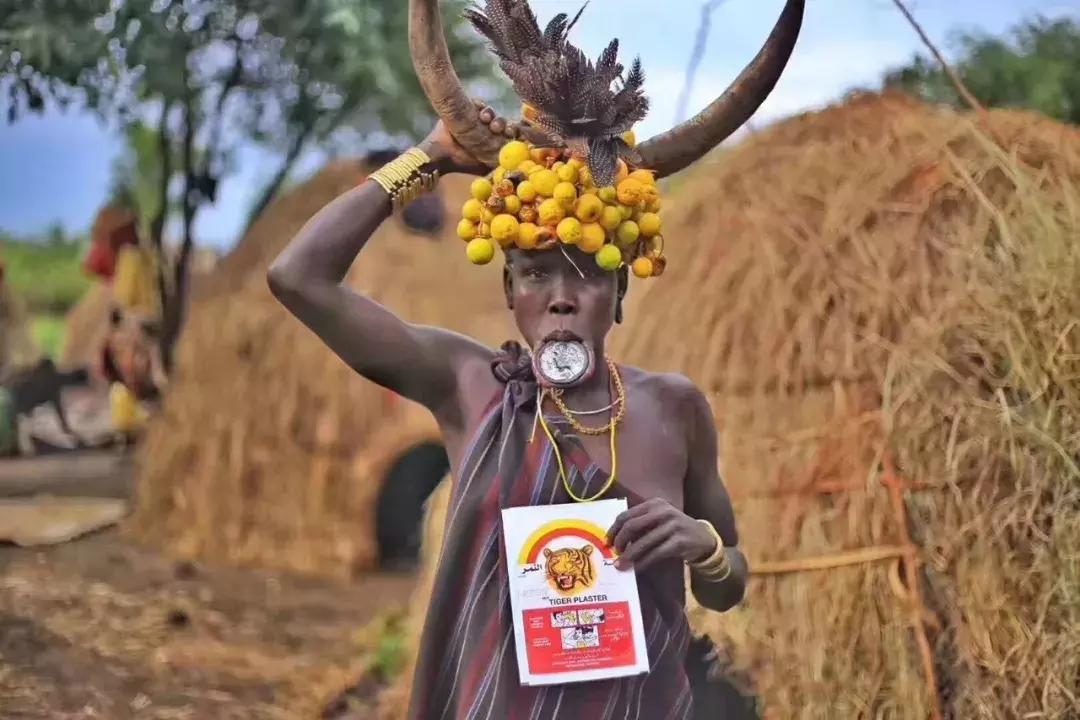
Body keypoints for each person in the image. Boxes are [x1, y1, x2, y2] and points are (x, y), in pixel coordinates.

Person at [269, 2, 803, 717]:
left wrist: (702, 546)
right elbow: (297, 278)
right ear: (508, 291)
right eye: (534, 274)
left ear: (617, 292)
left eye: (584, 274)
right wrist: (425, 161)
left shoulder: (674, 408)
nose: (560, 299)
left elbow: (726, 585)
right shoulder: (467, 387)